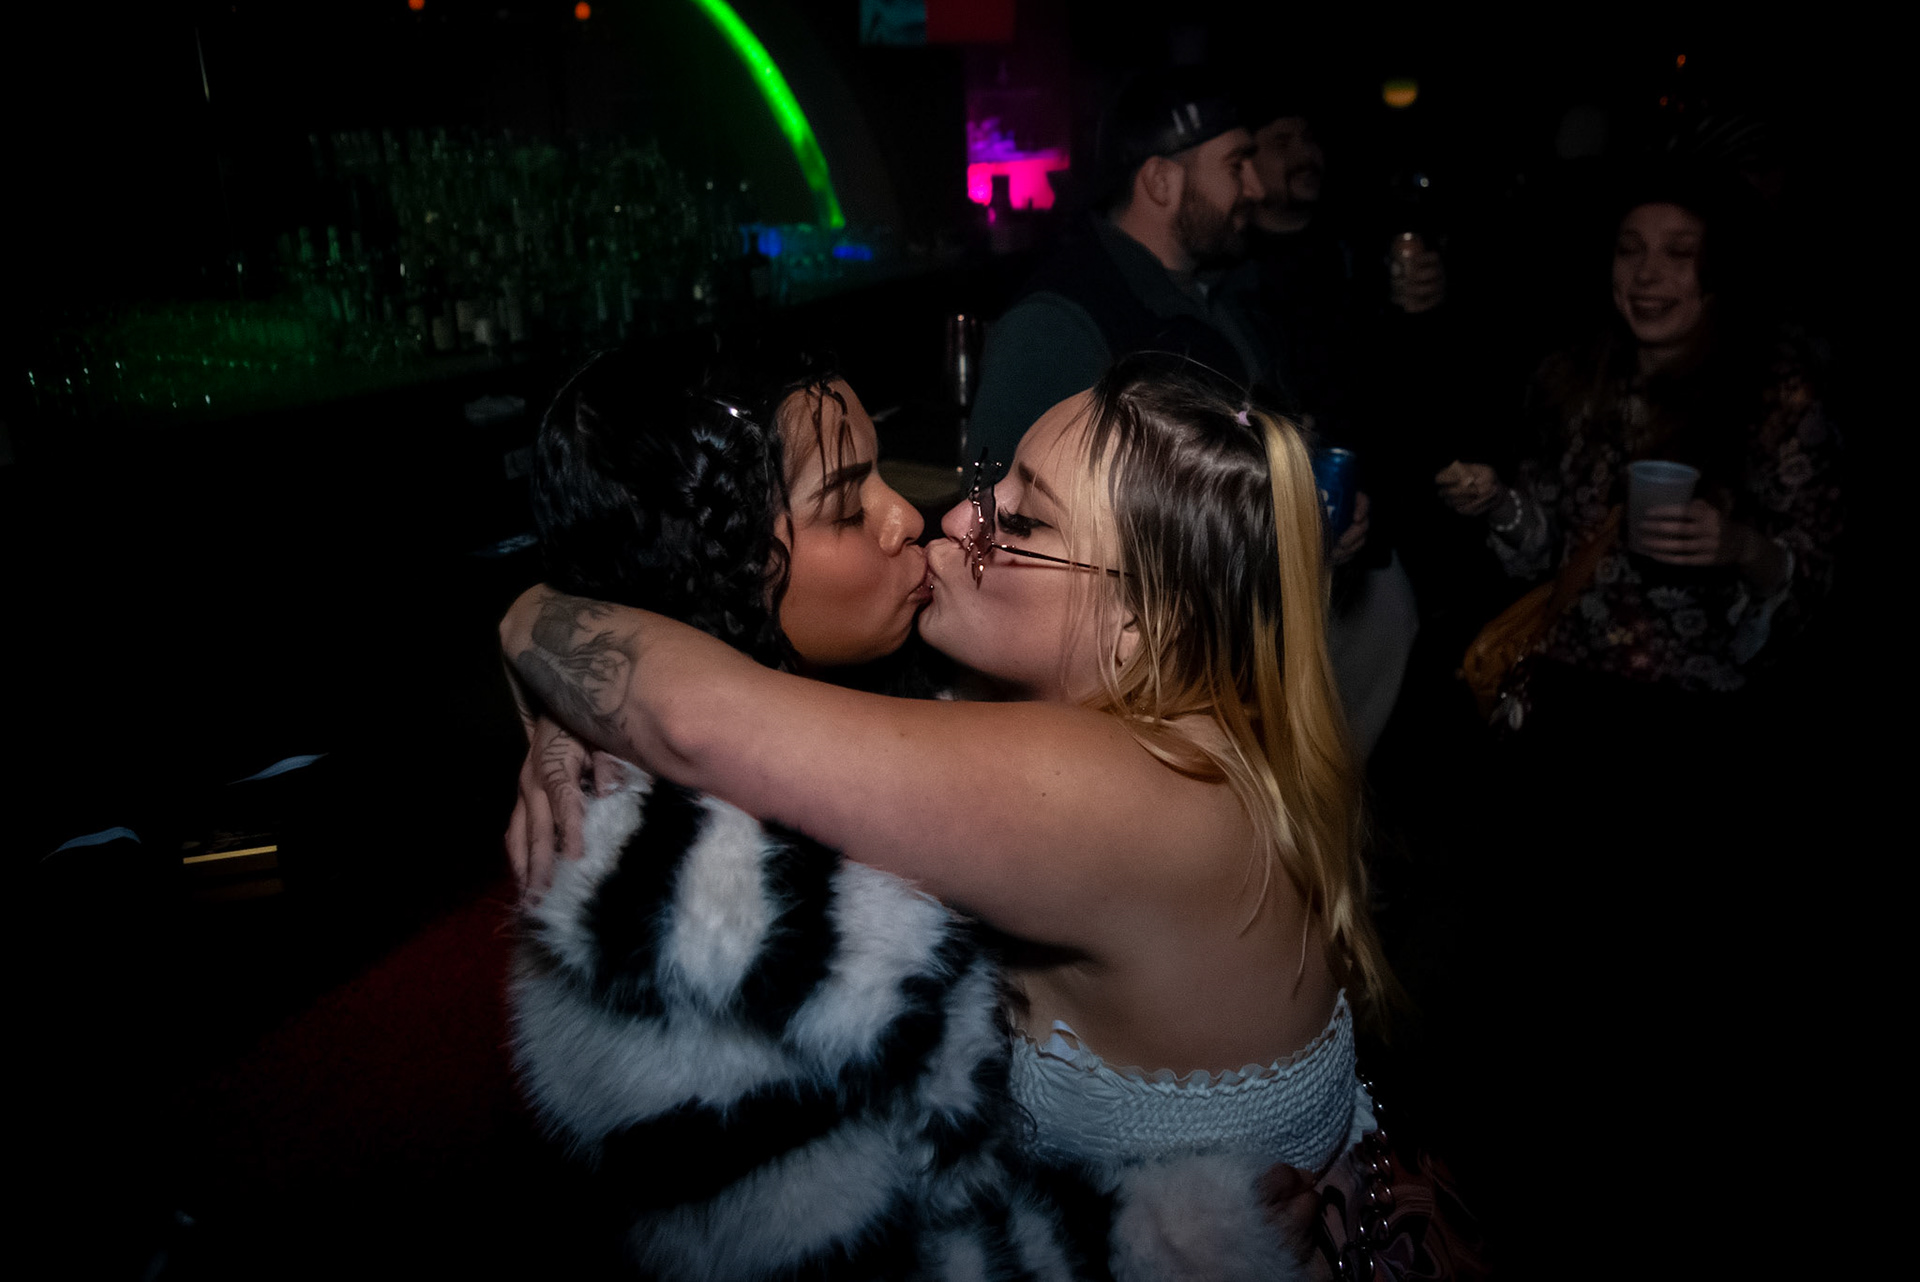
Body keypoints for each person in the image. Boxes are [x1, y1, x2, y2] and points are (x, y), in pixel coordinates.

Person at [503, 354, 1400, 1272]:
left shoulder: (1121, 787)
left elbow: (692, 721)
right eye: (990, 483)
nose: (953, 519)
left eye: (1024, 521)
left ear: (1140, 622)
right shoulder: (1164, 720)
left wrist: (527, 618)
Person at [964, 70, 1277, 469]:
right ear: (1161, 182)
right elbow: (994, 494)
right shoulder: (1060, 325)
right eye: (1236, 166)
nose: (1256, 188)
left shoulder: (1226, 291)